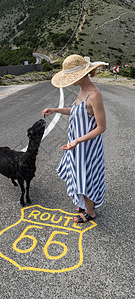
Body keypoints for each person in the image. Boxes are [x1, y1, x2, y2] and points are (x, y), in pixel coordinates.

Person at [42, 54, 108, 223]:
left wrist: (78, 141)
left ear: (81, 75)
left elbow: (101, 127)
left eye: (71, 77)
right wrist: (55, 110)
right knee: (77, 175)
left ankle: (90, 212)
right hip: (75, 144)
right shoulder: (82, 90)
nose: (70, 81)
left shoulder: (95, 95)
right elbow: (77, 111)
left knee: (86, 177)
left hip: (87, 147)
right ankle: (84, 204)